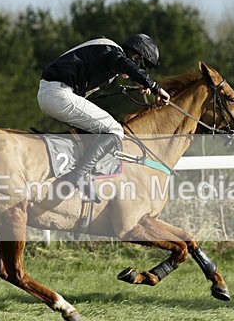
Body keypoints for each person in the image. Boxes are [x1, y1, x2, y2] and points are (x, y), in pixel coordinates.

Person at [37, 33, 170, 201]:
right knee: (115, 130)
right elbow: (125, 64)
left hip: (51, 94)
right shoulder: (112, 50)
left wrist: (140, 81)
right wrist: (155, 87)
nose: (137, 66)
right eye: (139, 63)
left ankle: (82, 174)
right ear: (135, 55)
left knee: (97, 129)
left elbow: (123, 66)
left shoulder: (105, 51)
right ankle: (76, 176)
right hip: (58, 94)